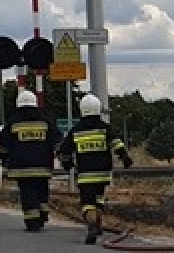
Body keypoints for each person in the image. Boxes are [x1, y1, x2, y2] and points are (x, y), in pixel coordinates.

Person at [57, 93, 133, 244]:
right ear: (98, 109)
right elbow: (116, 143)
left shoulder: (76, 130)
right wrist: (124, 157)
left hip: (85, 174)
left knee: (87, 202)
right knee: (98, 198)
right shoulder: (105, 128)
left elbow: (64, 151)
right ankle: (97, 223)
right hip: (103, 174)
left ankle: (92, 225)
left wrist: (67, 164)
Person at [0, 89, 60, 232]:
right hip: (43, 165)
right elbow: (57, 139)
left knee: (28, 192)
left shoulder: (13, 122)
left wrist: (4, 160)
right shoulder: (45, 120)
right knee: (42, 189)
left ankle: (33, 221)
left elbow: (4, 144)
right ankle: (43, 211)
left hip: (21, 167)